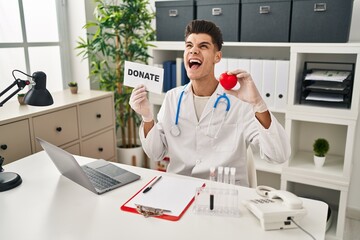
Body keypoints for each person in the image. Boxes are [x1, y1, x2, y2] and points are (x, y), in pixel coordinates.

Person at [129, 19, 290, 187]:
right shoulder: (172, 98)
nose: (194, 51)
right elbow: (156, 153)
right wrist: (147, 116)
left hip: (224, 195)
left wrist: (258, 104)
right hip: (180, 189)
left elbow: (278, 155)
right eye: (189, 45)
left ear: (217, 56)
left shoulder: (239, 102)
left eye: (203, 46)